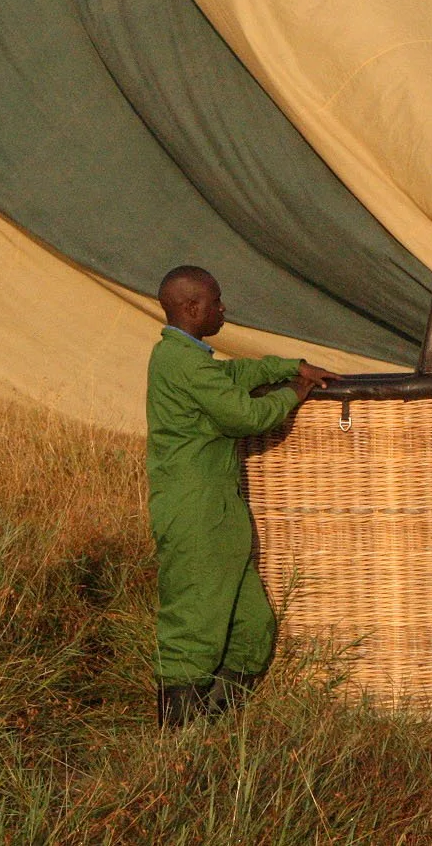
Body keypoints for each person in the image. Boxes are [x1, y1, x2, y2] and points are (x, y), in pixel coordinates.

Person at [147, 265, 335, 727]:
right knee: (194, 621)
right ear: (193, 308)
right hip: (196, 509)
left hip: (214, 507)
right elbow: (245, 416)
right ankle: (177, 738)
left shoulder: (185, 360)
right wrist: (294, 392)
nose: (223, 308)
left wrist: (288, 366)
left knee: (252, 625)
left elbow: (233, 374)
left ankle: (211, 726)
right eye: (216, 301)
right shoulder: (183, 363)